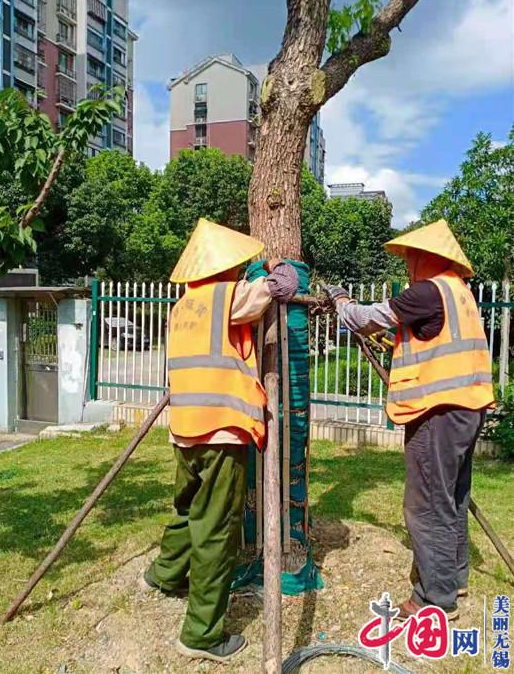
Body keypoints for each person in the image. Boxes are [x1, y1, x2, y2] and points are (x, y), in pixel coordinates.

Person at [140, 218, 299, 662]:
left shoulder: (183, 305)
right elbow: (282, 286)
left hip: (185, 427)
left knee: (188, 509)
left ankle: (165, 575)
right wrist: (275, 262)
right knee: (215, 529)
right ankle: (202, 635)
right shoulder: (229, 298)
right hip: (222, 428)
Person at [325, 219, 494, 621]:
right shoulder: (459, 292)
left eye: (410, 258)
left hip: (437, 410)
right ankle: (453, 578)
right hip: (467, 407)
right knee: (452, 497)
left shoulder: (427, 291)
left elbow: (364, 318)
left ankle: (435, 599)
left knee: (427, 505)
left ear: (427, 258)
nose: (407, 266)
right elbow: (431, 338)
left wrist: (341, 301)